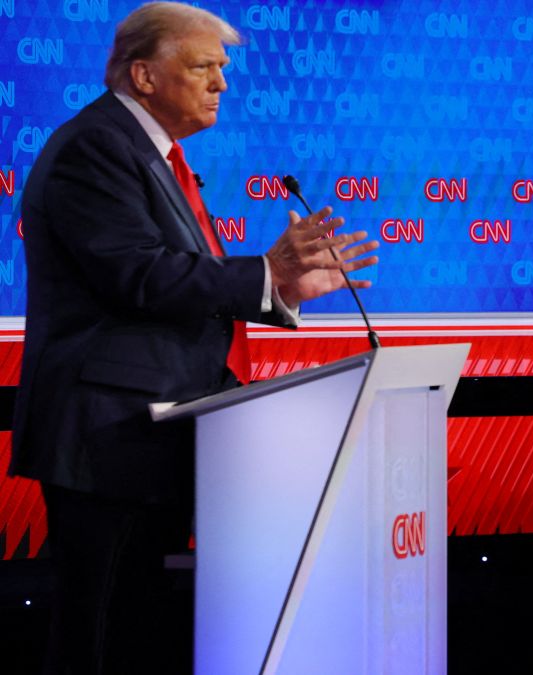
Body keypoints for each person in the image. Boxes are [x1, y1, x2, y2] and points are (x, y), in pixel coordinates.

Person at [7, 3, 379, 672]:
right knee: (96, 637)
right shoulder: (96, 148)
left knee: (136, 630)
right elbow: (138, 273)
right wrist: (264, 271)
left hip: (154, 433)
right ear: (144, 75)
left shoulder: (151, 154)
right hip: (107, 438)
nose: (221, 84)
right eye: (204, 66)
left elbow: (177, 283)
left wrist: (280, 289)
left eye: (223, 69)